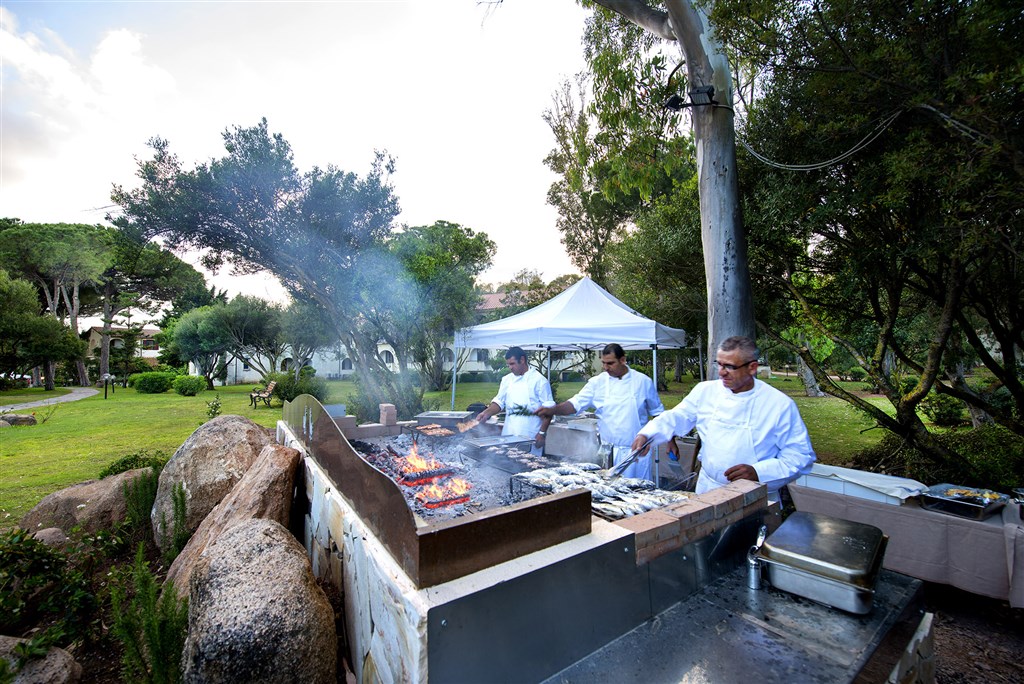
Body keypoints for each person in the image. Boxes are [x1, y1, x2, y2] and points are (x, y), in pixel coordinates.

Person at [631, 336, 815, 501]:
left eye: (730, 367)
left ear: (752, 367)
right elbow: (678, 416)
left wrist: (759, 472)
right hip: (707, 488)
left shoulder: (779, 405)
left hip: (753, 495)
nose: (721, 372)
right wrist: (647, 434)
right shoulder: (706, 391)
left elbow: (800, 456)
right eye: (719, 364)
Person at [536, 343, 666, 480]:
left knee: (640, 493)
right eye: (603, 363)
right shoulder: (597, 383)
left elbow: (658, 412)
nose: (605, 368)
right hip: (608, 452)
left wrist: (670, 441)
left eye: (610, 363)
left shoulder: (643, 382)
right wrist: (554, 410)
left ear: (623, 360)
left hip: (636, 452)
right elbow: (575, 404)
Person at [474, 347, 554, 456]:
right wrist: (486, 413)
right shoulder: (507, 380)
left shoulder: (539, 381)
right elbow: (499, 402)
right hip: (508, 435)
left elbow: (549, 410)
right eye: (508, 365)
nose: (510, 368)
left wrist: (542, 433)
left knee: (529, 467)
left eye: (512, 364)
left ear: (522, 360)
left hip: (530, 436)